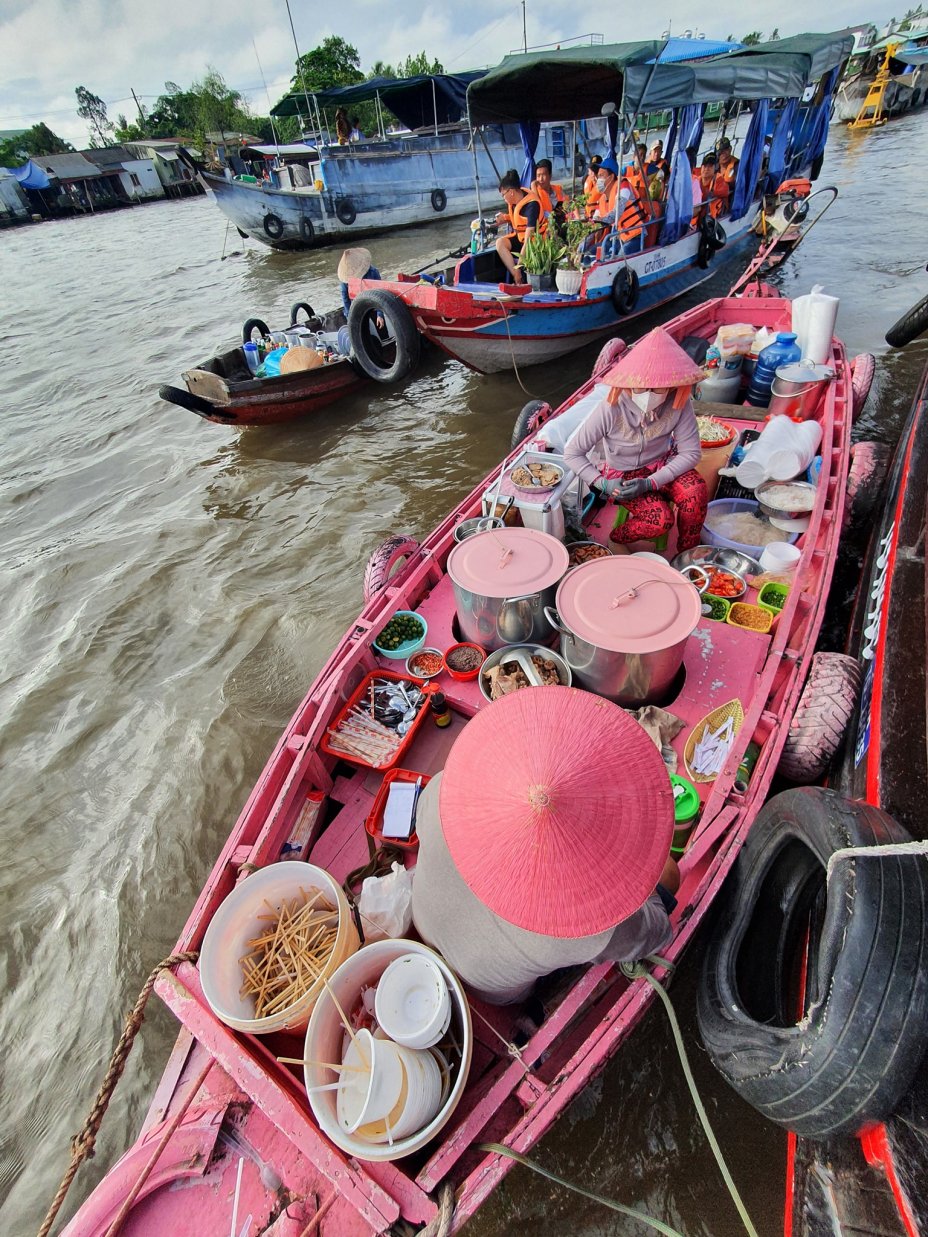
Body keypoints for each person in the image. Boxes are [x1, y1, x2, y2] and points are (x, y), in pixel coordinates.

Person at [411, 688, 680, 1005]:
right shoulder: (592, 926)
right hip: (491, 990)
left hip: (423, 921)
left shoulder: (445, 787)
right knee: (669, 873)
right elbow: (659, 932)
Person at [563, 327, 709, 551]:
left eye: (659, 389)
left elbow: (691, 453)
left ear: (672, 386)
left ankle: (687, 553)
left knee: (696, 492)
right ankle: (616, 538)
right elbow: (573, 452)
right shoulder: (611, 408)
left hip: (661, 465)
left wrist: (651, 482)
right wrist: (601, 482)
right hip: (624, 476)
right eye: (642, 386)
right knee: (661, 520)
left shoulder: (680, 403)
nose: (649, 393)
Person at [494, 168, 546, 284]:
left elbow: (528, 241)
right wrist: (503, 219)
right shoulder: (516, 199)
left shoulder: (531, 205)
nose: (504, 198)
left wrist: (519, 266)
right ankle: (516, 276)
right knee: (500, 243)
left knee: (526, 248)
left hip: (534, 243)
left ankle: (518, 279)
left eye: (503, 195)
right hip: (519, 238)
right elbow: (516, 220)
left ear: (511, 192)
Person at [587, 156, 647, 253]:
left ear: (611, 177)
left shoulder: (623, 187)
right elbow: (595, 220)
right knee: (591, 251)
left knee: (620, 255)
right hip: (617, 238)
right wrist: (584, 241)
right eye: (598, 176)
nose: (598, 180)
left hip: (635, 236)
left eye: (601, 176)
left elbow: (617, 212)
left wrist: (602, 220)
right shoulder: (603, 199)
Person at [337, 246, 381, 316]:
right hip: (358, 306)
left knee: (380, 324)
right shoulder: (345, 280)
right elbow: (346, 300)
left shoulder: (372, 272)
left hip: (374, 303)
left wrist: (380, 314)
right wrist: (349, 317)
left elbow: (380, 293)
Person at [531, 158, 566, 229]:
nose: (540, 179)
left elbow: (568, 206)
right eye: (538, 176)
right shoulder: (535, 193)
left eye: (543, 175)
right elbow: (536, 207)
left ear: (550, 176)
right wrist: (533, 186)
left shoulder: (558, 189)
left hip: (561, 226)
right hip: (546, 230)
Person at [697, 153, 729, 219]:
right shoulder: (697, 180)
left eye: (710, 166)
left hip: (712, 219)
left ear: (715, 168)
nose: (706, 169)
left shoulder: (718, 179)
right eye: (705, 166)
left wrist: (711, 192)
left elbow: (725, 191)